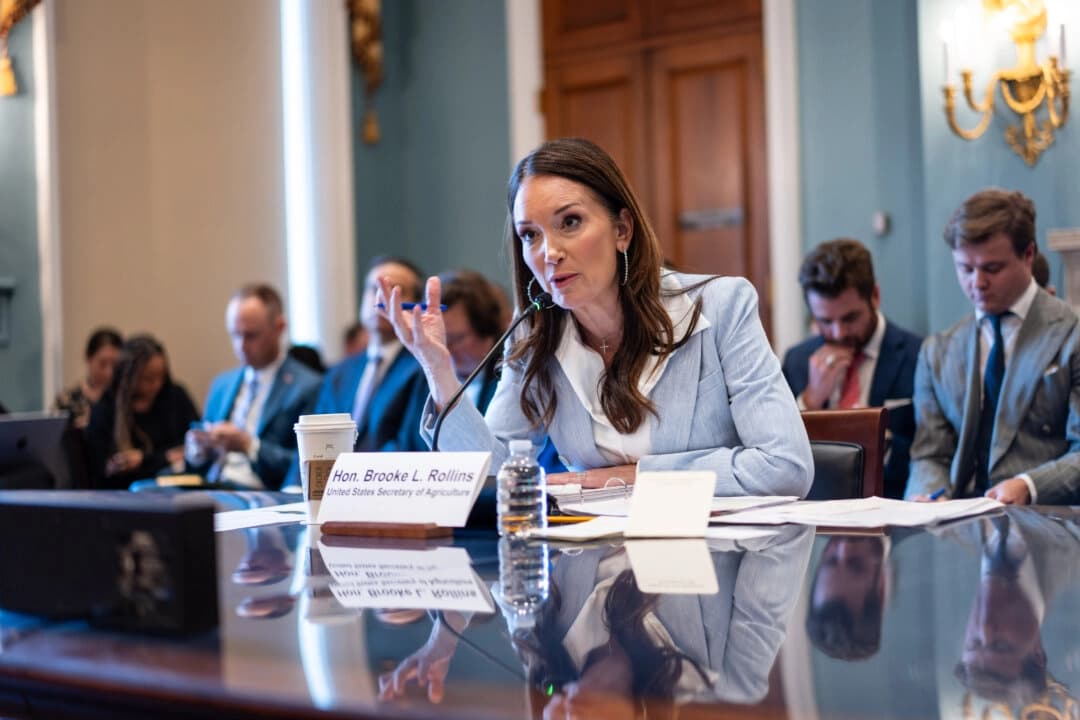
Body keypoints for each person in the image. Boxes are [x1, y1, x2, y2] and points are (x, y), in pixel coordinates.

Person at [378, 137, 812, 495]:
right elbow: (493, 478)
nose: (549, 253)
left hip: (714, 559)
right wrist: (439, 371)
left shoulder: (722, 306)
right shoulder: (534, 333)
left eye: (569, 222)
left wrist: (623, 478)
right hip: (591, 562)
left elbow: (785, 467)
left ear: (622, 229)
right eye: (530, 235)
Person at [907, 189, 1080, 504]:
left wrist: (1029, 485)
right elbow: (930, 455)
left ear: (1028, 255)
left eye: (992, 268)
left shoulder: (1073, 334)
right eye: (966, 269)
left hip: (1048, 518)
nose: (977, 282)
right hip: (958, 519)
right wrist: (929, 495)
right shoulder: (937, 351)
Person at [782, 239, 922, 498]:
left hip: (894, 505)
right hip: (815, 508)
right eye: (825, 321)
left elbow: (931, 451)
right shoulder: (797, 361)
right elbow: (780, 454)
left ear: (875, 296)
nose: (839, 333)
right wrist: (810, 400)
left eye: (850, 318)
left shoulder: (920, 356)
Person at [186, 284, 322, 490]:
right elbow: (197, 465)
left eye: (251, 336)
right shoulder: (222, 384)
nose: (241, 345)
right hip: (212, 486)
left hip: (261, 492)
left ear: (279, 328)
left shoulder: (307, 387)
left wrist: (249, 446)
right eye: (235, 334)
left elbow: (306, 465)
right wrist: (197, 450)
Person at [313, 256, 428, 452]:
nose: (381, 298)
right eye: (374, 289)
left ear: (416, 306)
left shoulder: (422, 369)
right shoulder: (340, 373)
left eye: (395, 291)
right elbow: (314, 441)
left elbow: (409, 447)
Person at [85, 334, 199, 489]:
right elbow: (102, 470)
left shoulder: (175, 397)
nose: (156, 384)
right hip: (123, 493)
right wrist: (165, 457)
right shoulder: (106, 408)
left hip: (177, 488)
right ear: (128, 377)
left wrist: (144, 460)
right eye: (148, 378)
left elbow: (193, 445)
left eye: (161, 376)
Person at [439, 269, 507, 413]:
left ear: (486, 328)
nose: (446, 350)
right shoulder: (427, 376)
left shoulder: (509, 374)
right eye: (440, 340)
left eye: (456, 339)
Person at [54, 327, 124, 429]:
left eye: (115, 365)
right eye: (102, 364)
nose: (109, 372)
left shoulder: (125, 399)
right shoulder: (67, 401)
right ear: (88, 360)